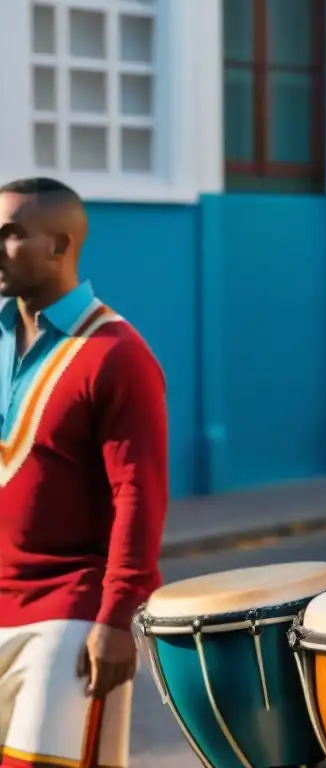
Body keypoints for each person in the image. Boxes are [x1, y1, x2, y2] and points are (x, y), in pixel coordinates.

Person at [0, 177, 168, 767]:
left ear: (60, 245)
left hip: (69, 617)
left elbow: (138, 493)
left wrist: (118, 617)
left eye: (11, 233)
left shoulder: (118, 355)